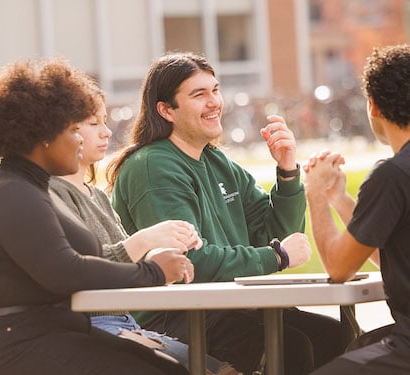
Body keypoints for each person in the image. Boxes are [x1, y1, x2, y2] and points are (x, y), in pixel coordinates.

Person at [106, 52, 353, 374]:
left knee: (332, 335)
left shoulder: (218, 161)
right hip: (174, 315)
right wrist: (275, 257)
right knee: (291, 345)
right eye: (199, 95)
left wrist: (287, 170)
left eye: (215, 90)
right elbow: (189, 263)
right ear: (166, 110)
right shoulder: (153, 166)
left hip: (228, 307)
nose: (214, 103)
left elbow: (275, 235)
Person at [0, 58, 194, 375]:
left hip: (44, 334)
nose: (79, 139)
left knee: (177, 366)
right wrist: (152, 272)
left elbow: (86, 261)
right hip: (5, 348)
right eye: (72, 129)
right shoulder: (10, 194)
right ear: (44, 134)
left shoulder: (35, 190)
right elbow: (67, 271)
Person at [49, 81, 240, 375]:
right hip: (96, 328)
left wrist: (167, 251)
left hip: (126, 323)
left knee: (225, 370)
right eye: (92, 123)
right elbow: (83, 268)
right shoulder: (51, 194)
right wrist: (148, 240)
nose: (107, 131)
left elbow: (130, 265)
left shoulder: (96, 195)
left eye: (104, 121)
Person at [304, 44, 410, 374]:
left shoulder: (393, 174)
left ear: (373, 105)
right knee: (358, 345)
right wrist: (339, 198)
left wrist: (315, 194)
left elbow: (339, 268)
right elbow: (394, 250)